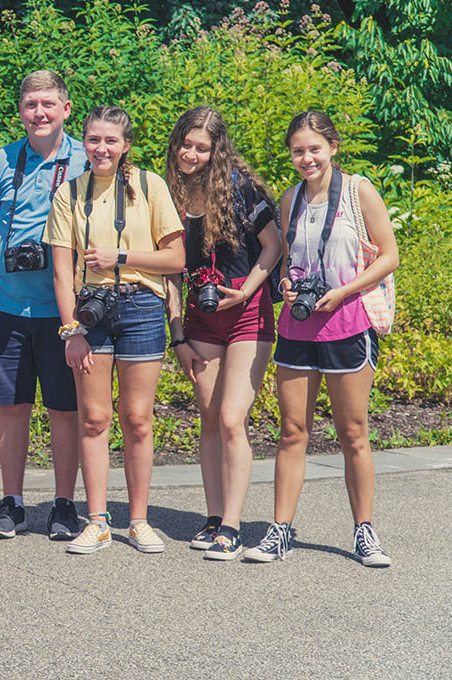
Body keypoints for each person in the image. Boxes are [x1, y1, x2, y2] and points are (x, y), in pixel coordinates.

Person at [246, 111, 398, 567]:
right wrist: (290, 285)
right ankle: (280, 531)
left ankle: (364, 532)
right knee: (292, 432)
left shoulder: (358, 191)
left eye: (314, 148)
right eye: (298, 151)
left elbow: (389, 256)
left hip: (349, 322)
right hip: (298, 324)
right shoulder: (289, 199)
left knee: (353, 433)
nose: (306, 158)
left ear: (333, 146)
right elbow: (288, 258)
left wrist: (345, 291)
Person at [45, 105, 185, 555]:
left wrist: (120, 257)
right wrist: (71, 331)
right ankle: (98, 520)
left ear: (126, 145)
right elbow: (60, 273)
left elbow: (176, 259)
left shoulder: (150, 186)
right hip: (91, 313)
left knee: (139, 420)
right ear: (82, 142)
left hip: (142, 306)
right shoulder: (70, 193)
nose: (101, 148)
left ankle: (139, 520)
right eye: (93, 140)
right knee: (94, 419)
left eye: (110, 141)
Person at [164, 107, 281, 561]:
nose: (191, 153)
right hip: (198, 317)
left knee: (232, 419)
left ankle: (232, 525)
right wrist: (177, 336)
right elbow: (171, 274)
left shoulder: (239, 186)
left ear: (217, 150)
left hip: (246, 311)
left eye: (202, 147)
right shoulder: (169, 191)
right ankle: (213, 517)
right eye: (186, 144)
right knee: (209, 419)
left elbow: (273, 246)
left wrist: (246, 291)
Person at [0, 70, 89, 540]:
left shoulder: (87, 159)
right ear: (20, 110)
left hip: (65, 310)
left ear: (66, 109)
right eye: (30, 105)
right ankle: (11, 502)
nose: (39, 113)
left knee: (65, 409)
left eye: (48, 104)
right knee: (12, 406)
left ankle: (64, 504)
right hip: (5, 304)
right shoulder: (2, 161)